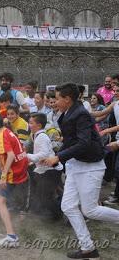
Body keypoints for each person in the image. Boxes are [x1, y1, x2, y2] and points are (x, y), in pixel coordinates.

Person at [43, 83, 119, 259]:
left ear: (67, 99)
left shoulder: (81, 114)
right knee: (68, 206)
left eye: (57, 98)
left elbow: (83, 143)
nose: (54, 102)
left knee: (90, 210)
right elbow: (71, 142)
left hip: (91, 167)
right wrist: (55, 156)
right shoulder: (68, 113)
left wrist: (59, 157)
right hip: (76, 165)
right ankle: (88, 249)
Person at [0, 112, 28, 247]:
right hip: (18, 166)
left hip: (14, 170)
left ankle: (11, 237)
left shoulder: (1, 135)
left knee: (0, 201)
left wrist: (3, 176)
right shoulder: (6, 130)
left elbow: (11, 155)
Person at [26, 113, 63, 219]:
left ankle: (57, 215)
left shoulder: (41, 136)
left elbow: (44, 154)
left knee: (45, 196)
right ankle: (53, 213)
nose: (29, 125)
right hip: (46, 169)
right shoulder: (36, 135)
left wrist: (27, 156)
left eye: (31, 123)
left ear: (39, 125)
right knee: (45, 194)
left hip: (51, 170)